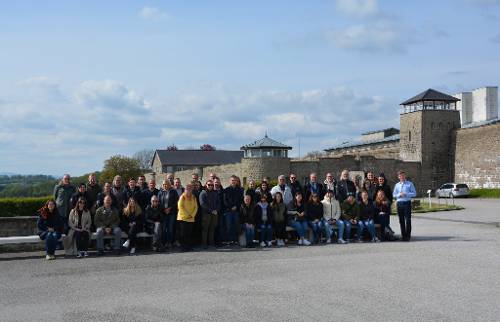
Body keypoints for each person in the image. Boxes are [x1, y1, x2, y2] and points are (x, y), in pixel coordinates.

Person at [393, 170, 417, 241]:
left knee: (408, 220)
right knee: (401, 220)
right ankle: (403, 236)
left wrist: (406, 194)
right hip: (399, 203)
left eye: (403, 175)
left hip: (407, 203)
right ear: (398, 177)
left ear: (405, 176)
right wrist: (399, 195)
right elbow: (394, 195)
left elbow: (414, 193)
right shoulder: (397, 185)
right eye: (400, 176)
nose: (402, 177)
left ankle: (408, 236)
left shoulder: (410, 184)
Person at [199, 180, 220, 248]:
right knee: (205, 229)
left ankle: (211, 243)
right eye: (209, 185)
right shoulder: (203, 193)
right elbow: (202, 204)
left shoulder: (215, 192)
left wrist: (216, 210)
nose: (210, 186)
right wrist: (211, 211)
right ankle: (204, 244)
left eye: (211, 185)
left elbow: (218, 202)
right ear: (206, 185)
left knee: (212, 229)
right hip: (206, 214)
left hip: (214, 213)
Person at [223, 176, 244, 245]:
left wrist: (236, 206)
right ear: (230, 181)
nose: (233, 181)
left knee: (236, 225)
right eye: (232, 180)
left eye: (235, 180)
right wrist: (230, 207)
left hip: (236, 210)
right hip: (228, 211)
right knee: (229, 226)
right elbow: (225, 201)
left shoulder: (240, 190)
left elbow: (241, 200)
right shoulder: (226, 190)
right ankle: (229, 240)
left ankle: (235, 240)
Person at [157, 180, 178, 248]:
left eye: (166, 184)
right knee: (163, 228)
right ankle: (163, 242)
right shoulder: (160, 192)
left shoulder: (173, 192)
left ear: (169, 185)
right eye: (164, 184)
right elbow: (158, 202)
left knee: (170, 228)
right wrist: (164, 209)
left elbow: (177, 202)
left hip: (171, 213)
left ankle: (169, 242)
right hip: (163, 213)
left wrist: (170, 208)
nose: (165, 185)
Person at [177, 183, 198, 252]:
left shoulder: (193, 197)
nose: (189, 190)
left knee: (189, 233)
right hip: (183, 218)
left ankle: (188, 246)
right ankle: (183, 247)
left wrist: (192, 215)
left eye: (190, 189)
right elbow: (180, 206)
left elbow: (196, 207)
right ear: (185, 190)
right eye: (187, 189)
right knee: (183, 233)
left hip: (191, 218)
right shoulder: (182, 197)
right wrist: (187, 215)